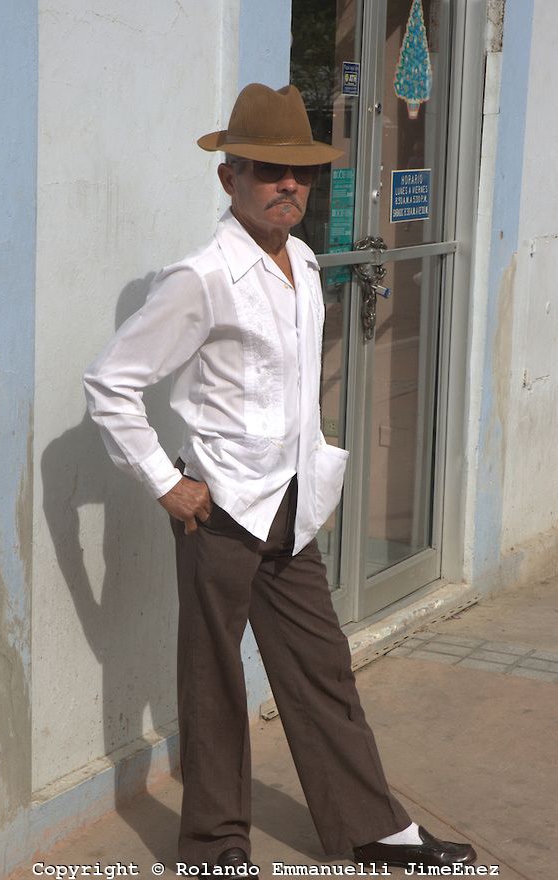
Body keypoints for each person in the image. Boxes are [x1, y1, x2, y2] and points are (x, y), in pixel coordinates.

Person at [84, 83, 476, 875]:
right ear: (229, 179)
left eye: (300, 171)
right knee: (214, 681)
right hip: (220, 509)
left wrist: (314, 466)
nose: (288, 185)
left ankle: (375, 827)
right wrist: (166, 481)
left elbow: (293, 387)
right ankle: (215, 847)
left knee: (322, 669)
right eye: (268, 170)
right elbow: (110, 383)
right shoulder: (201, 276)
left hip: (290, 509)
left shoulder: (299, 259)